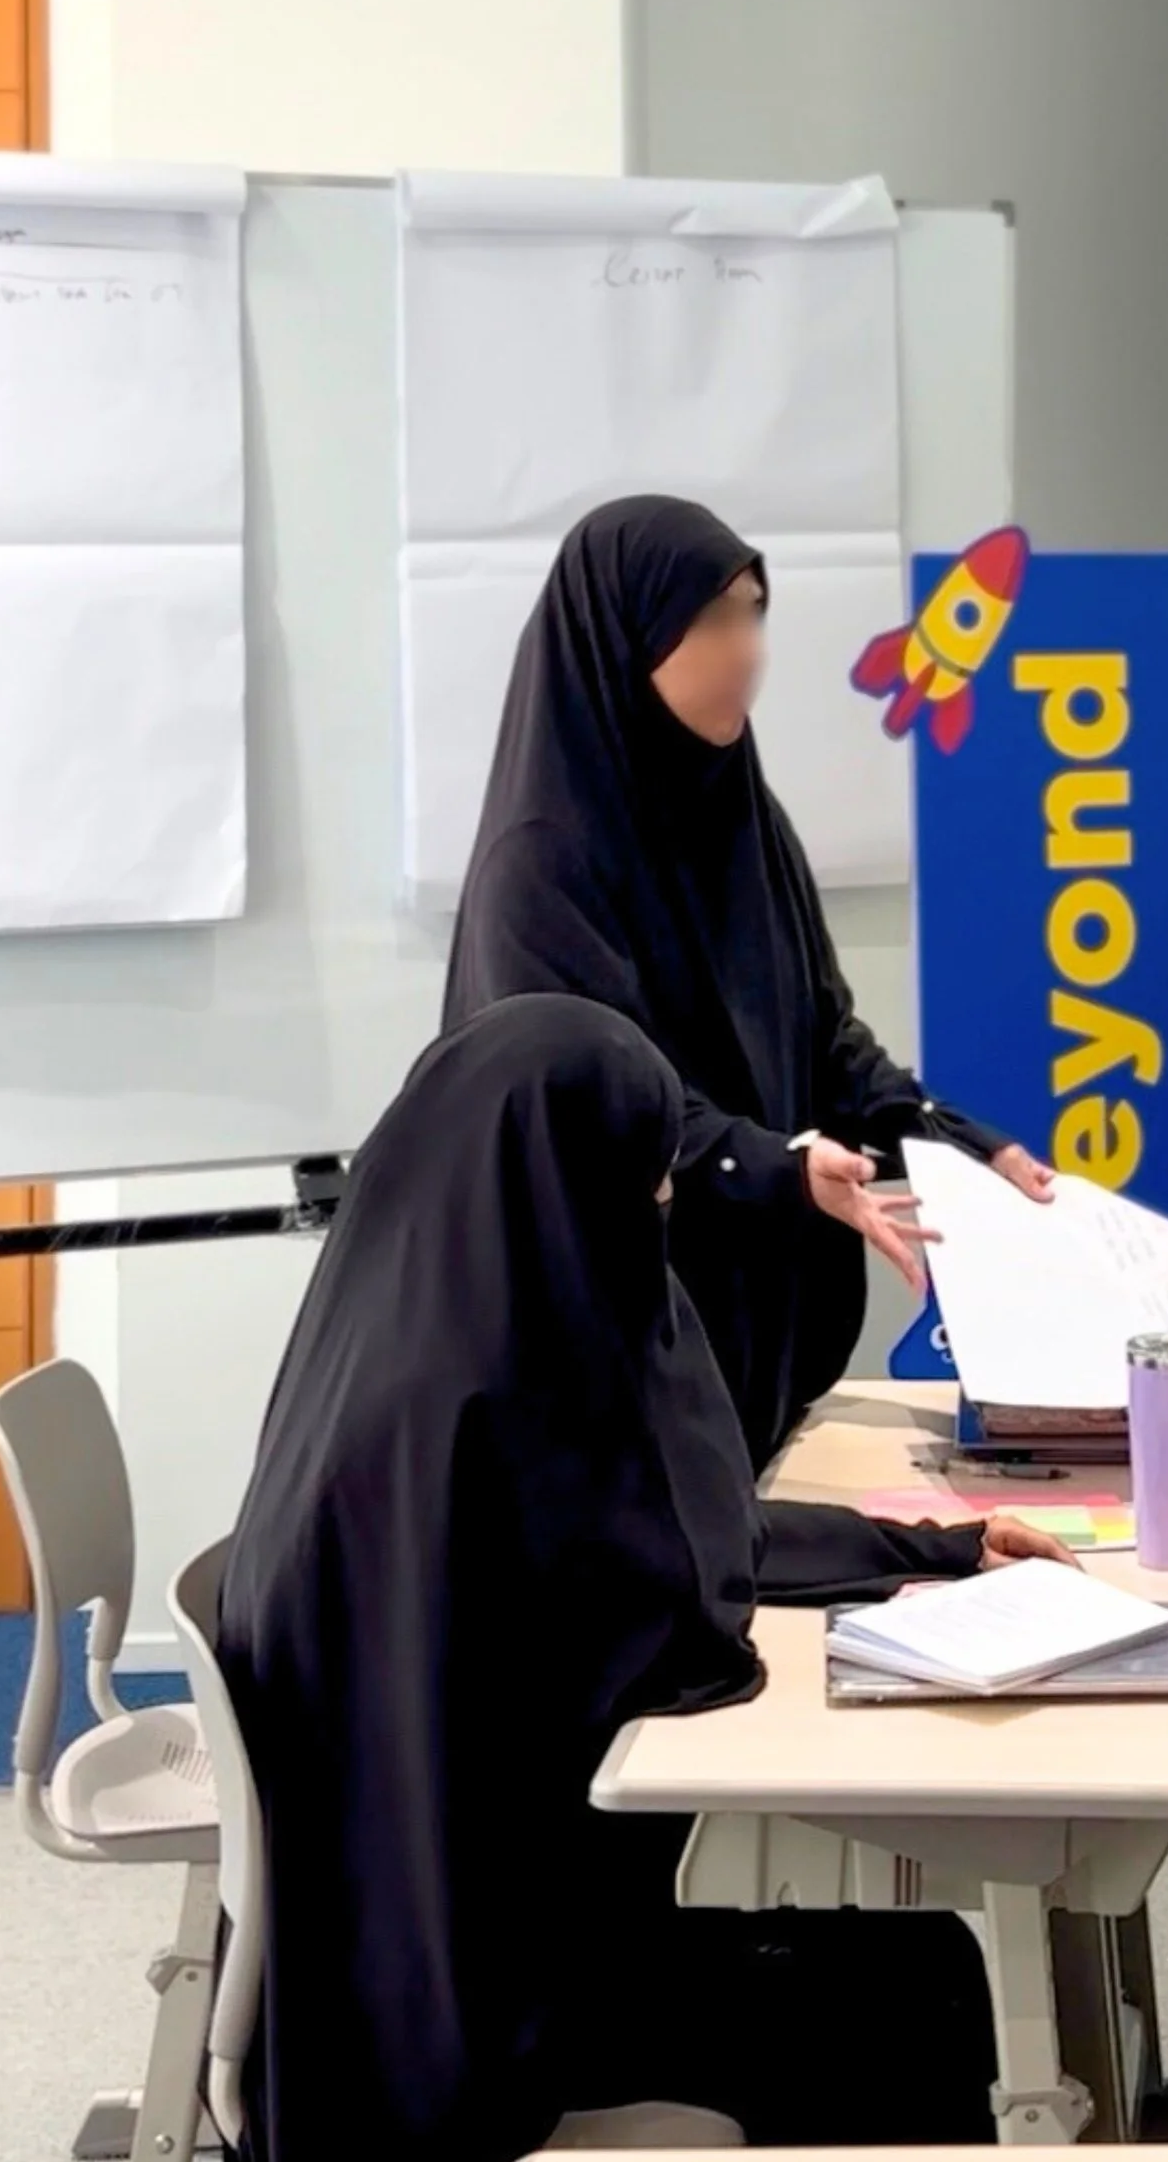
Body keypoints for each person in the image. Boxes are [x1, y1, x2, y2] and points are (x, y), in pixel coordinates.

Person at [218, 996, 1077, 2162]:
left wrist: (935, 1549)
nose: (664, 1205)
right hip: (480, 2036)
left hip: (388, 2000)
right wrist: (848, 1581)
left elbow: (680, 1539)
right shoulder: (476, 1429)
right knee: (919, 1995)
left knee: (914, 1971)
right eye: (651, 1178)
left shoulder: (407, 1350)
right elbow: (676, 1623)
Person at [445, 494, 1052, 1469]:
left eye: (755, 611)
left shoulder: (743, 822)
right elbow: (601, 1106)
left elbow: (827, 1045)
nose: (750, 648)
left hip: (750, 1376)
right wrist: (770, 1166)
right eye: (715, 617)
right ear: (628, 633)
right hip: (605, 1391)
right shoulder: (542, 861)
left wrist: (965, 1150)